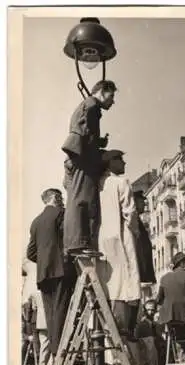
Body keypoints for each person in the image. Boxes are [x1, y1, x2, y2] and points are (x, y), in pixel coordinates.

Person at [62, 80, 117, 253]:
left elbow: (84, 133)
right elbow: (81, 133)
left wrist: (98, 142)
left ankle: (79, 242)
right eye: (111, 95)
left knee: (80, 199)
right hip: (83, 160)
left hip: (80, 159)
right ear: (101, 91)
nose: (112, 101)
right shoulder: (92, 106)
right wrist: (96, 154)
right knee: (83, 200)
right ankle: (80, 243)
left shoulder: (90, 106)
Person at [26, 189, 75, 361]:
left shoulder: (36, 222)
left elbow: (30, 252)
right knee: (62, 311)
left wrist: (46, 259)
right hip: (61, 270)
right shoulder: (61, 213)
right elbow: (69, 238)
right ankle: (59, 353)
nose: (62, 200)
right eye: (60, 197)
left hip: (44, 275)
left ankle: (55, 353)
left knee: (50, 314)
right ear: (53, 197)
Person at [97, 150, 141, 338]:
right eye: (120, 160)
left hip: (102, 238)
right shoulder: (121, 182)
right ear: (110, 163)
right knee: (127, 278)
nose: (124, 163)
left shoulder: (96, 185)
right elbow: (129, 213)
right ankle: (125, 328)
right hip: (121, 234)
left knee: (108, 279)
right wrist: (136, 231)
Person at [133, 190, 156, 286]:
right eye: (142, 202)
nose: (144, 205)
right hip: (140, 267)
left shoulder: (137, 219)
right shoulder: (134, 219)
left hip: (143, 267)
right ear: (135, 202)